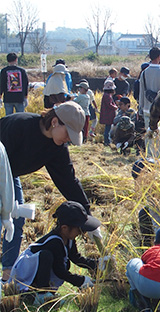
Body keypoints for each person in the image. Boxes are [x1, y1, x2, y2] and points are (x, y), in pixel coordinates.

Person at [0, 101, 99, 282]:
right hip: (1, 171)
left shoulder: (56, 148)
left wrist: (87, 217)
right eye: (68, 133)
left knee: (17, 218)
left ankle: (8, 273)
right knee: (3, 216)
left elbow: (68, 181)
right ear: (54, 122)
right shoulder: (18, 126)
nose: (68, 139)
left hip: (10, 174)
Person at [9, 201, 100, 306]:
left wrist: (97, 264)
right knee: (47, 256)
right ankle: (41, 295)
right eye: (79, 230)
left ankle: (45, 292)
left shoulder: (69, 238)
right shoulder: (54, 242)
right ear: (64, 228)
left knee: (66, 263)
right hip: (25, 279)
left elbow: (76, 258)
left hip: (39, 274)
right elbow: (59, 271)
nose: (81, 233)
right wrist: (81, 281)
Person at [139, 47, 160, 129]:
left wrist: (141, 107)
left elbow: (141, 92)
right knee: (159, 137)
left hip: (146, 108)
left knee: (149, 136)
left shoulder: (144, 72)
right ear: (159, 56)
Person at [100, 80, 117, 147]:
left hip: (107, 115)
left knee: (108, 128)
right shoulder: (107, 96)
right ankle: (107, 141)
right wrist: (115, 107)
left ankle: (107, 141)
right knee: (108, 129)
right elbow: (109, 105)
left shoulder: (106, 95)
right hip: (108, 115)